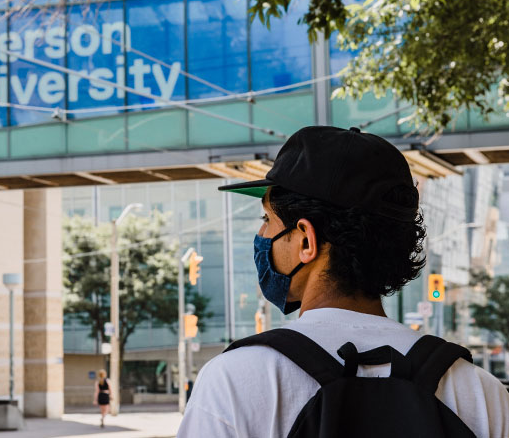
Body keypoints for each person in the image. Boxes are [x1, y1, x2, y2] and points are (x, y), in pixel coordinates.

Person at [178, 126, 509, 438]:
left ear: (307, 241)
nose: (262, 234)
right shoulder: (482, 394)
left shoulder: (237, 379)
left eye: (268, 219)